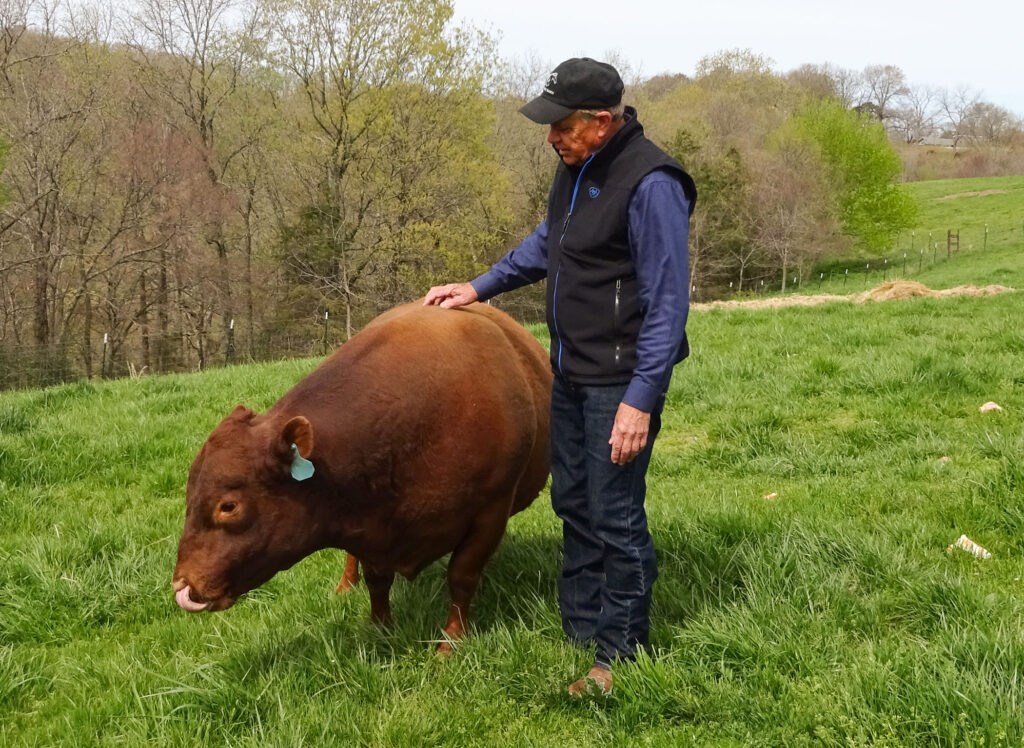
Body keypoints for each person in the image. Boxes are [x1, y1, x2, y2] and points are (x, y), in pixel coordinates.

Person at [423, 57, 696, 697]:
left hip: (620, 381)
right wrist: (479, 286)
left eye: (561, 126)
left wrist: (640, 400)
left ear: (601, 122)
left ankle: (618, 657)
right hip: (569, 370)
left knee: (615, 515)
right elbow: (552, 243)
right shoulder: (576, 167)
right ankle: (581, 631)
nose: (551, 137)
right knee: (573, 502)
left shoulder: (652, 183)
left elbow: (667, 303)